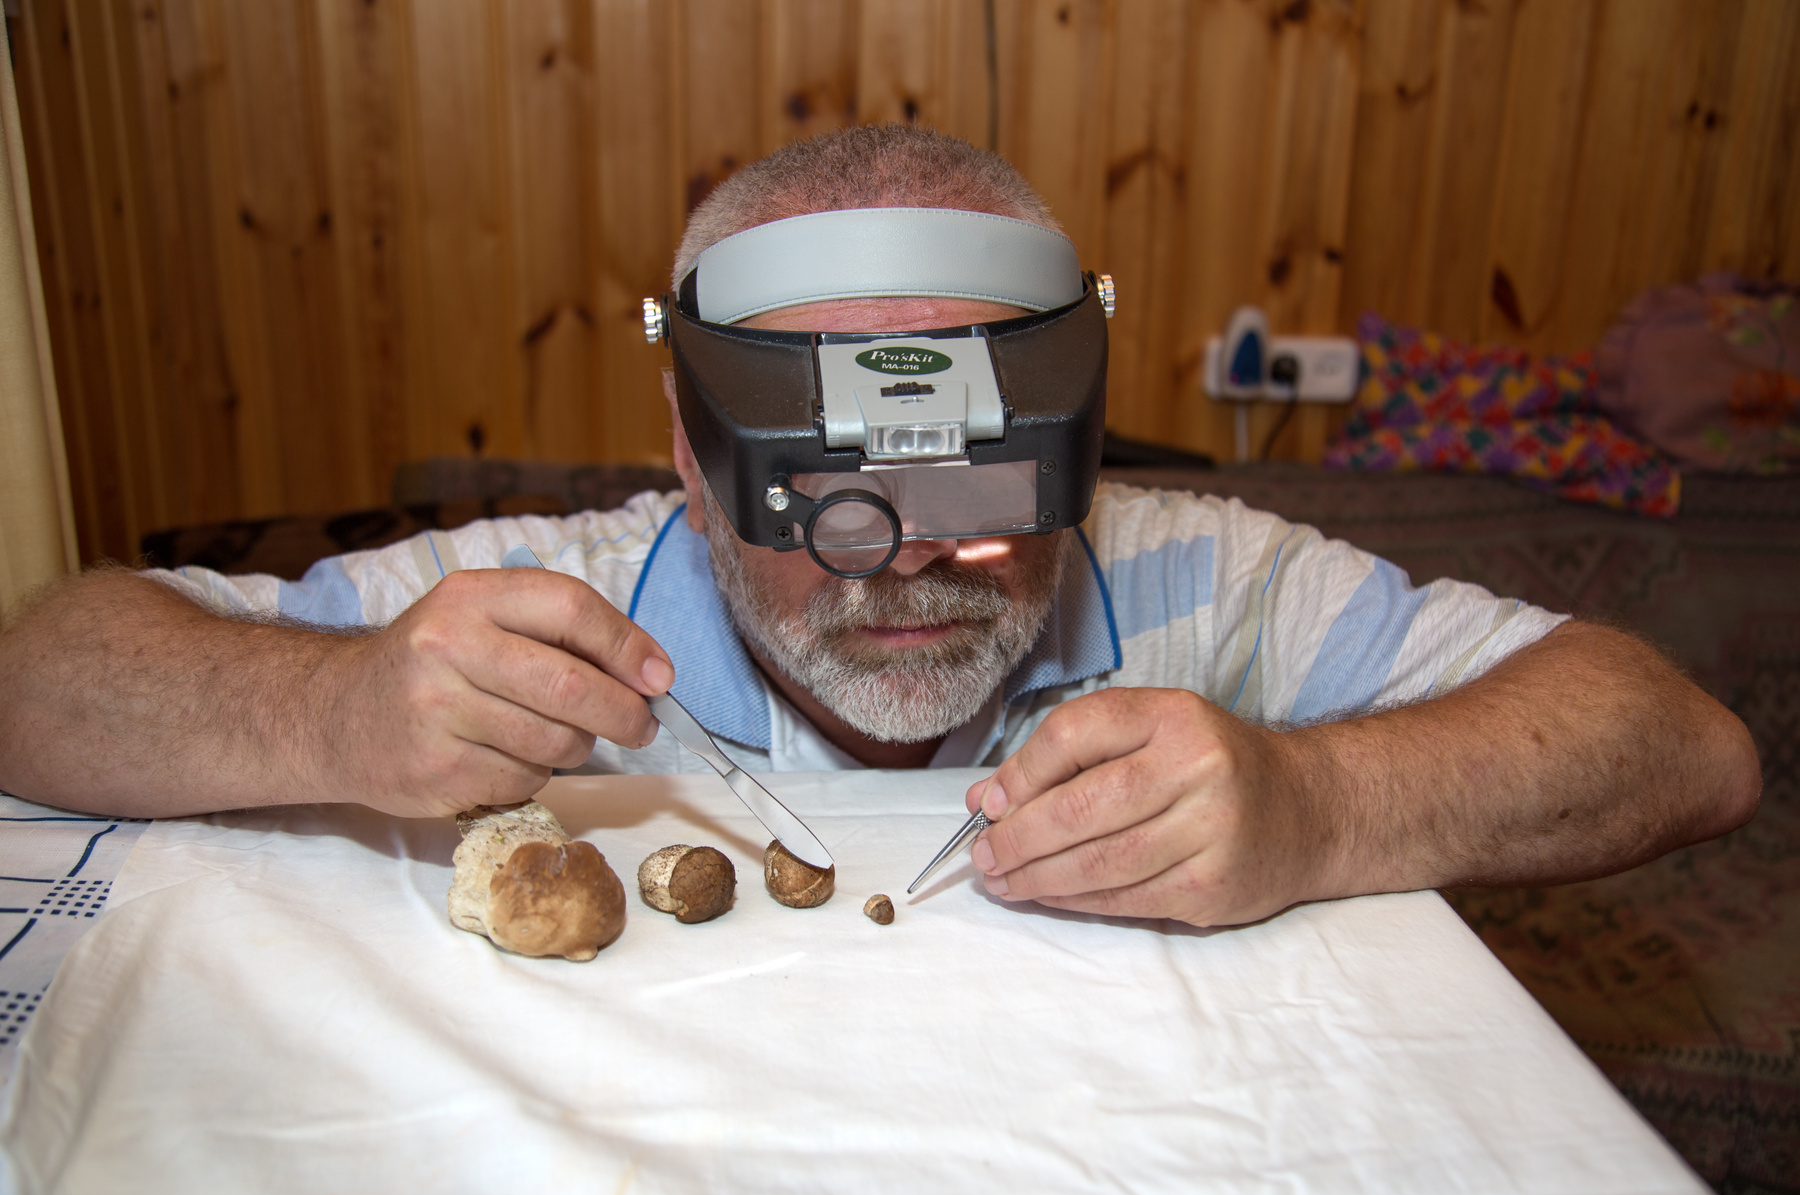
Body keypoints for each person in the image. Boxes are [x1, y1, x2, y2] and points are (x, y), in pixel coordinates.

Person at [0, 125, 1760, 929]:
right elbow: (39, 683)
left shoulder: (1202, 572)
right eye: (824, 496)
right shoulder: (537, 611)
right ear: (689, 454)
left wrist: (1319, 804)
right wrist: (329, 708)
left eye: (982, 479)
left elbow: (1687, 748)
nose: (911, 555)